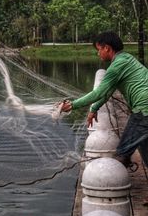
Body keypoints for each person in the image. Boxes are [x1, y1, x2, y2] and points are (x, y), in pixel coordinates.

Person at [61, 31, 148, 167]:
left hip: (144, 110)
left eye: (99, 49)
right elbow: (107, 93)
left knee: (122, 152)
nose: (98, 53)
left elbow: (98, 93)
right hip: (144, 109)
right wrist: (94, 108)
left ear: (107, 48)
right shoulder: (126, 58)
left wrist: (73, 105)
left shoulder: (116, 67)